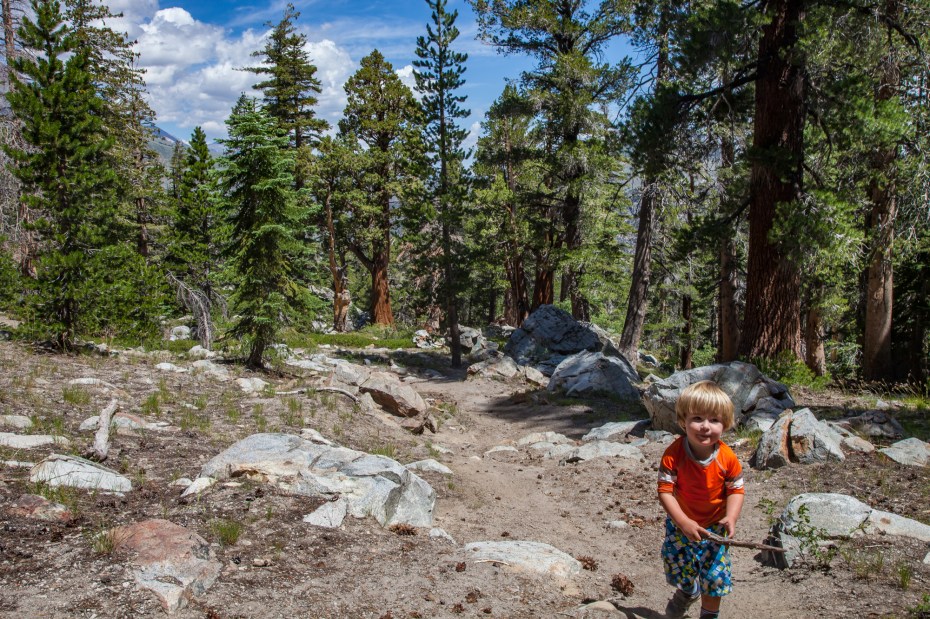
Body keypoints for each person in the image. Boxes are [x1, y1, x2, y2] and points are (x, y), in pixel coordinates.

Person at [657, 380, 745, 619]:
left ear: (725, 424)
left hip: (715, 527)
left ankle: (709, 615)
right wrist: (683, 522)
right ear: (683, 421)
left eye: (714, 420)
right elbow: (665, 491)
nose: (705, 426)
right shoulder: (673, 454)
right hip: (680, 524)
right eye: (697, 418)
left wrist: (731, 517)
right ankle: (688, 591)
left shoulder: (727, 458)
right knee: (679, 569)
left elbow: (736, 490)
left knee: (715, 577)